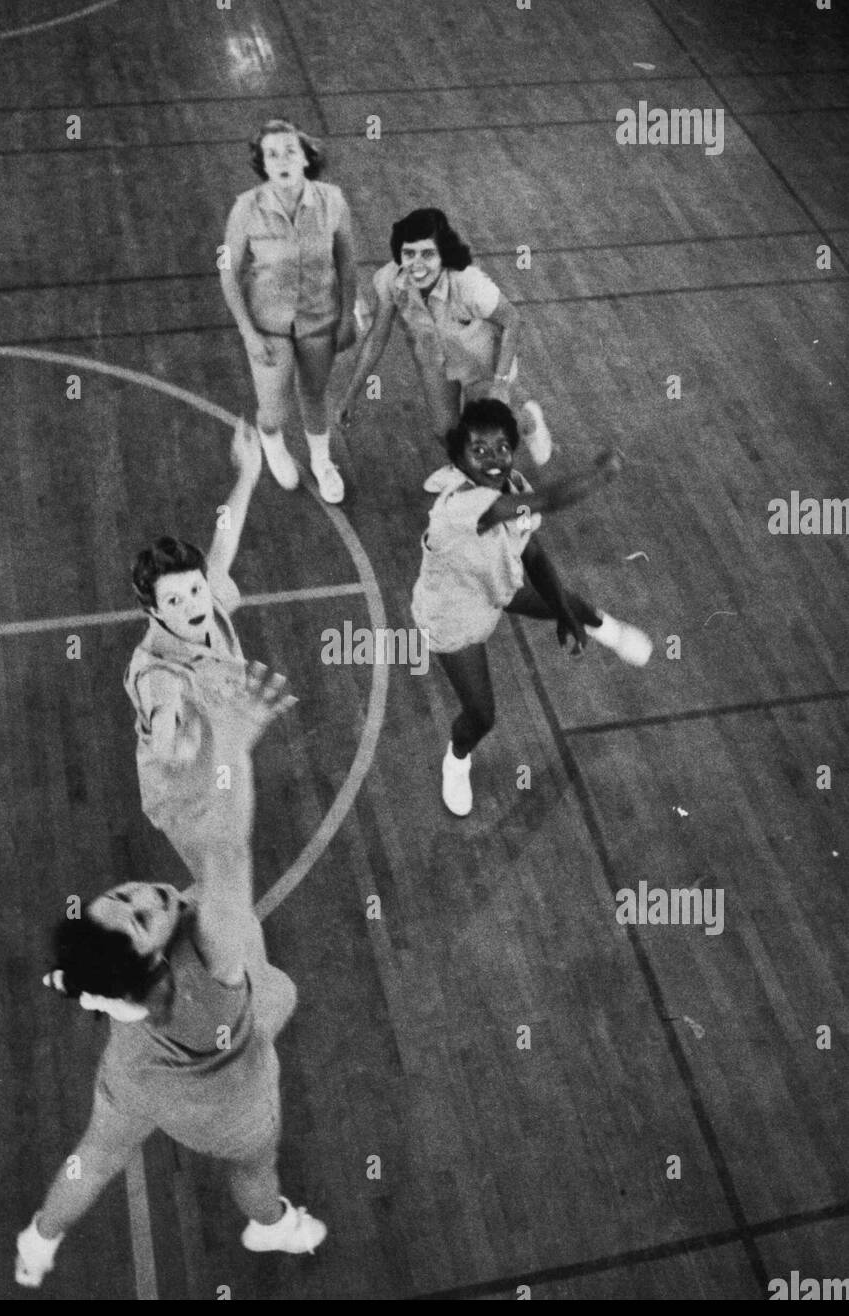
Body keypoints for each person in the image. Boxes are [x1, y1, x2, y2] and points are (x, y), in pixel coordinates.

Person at [14, 725, 327, 1288]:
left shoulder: (114, 983)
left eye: (120, 897)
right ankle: (271, 1226)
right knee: (255, 1168)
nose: (147, 897)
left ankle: (37, 1240)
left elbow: (93, 978)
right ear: (149, 963)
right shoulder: (210, 963)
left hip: (133, 1080)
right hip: (223, 1108)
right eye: (140, 920)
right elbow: (228, 852)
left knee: (94, 1157)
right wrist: (234, 741)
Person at [124, 419, 291, 1030]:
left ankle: (235, 965)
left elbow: (223, 543)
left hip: (217, 765)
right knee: (226, 888)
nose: (193, 604)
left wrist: (246, 475)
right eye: (176, 601)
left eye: (193, 592)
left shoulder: (206, 601)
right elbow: (166, 740)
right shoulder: (157, 674)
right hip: (184, 792)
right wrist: (191, 737)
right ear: (151, 609)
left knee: (230, 874)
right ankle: (238, 1001)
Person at [410, 398, 653, 816]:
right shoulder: (459, 505)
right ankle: (457, 760)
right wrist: (602, 473)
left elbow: (533, 554)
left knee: (568, 601)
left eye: (502, 448)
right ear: (458, 458)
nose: (492, 459)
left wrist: (562, 613)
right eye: (479, 451)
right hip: (453, 616)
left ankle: (602, 627)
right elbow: (550, 500)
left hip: (496, 582)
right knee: (482, 716)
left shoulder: (514, 486)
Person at [337, 207, 553, 492]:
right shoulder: (389, 280)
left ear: (444, 254)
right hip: (435, 360)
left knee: (486, 429)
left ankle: (528, 423)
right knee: (445, 431)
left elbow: (512, 320)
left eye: (427, 254)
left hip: (483, 361)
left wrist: (500, 385)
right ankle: (461, 470)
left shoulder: (469, 284)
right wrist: (351, 394)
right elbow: (377, 337)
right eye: (408, 253)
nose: (417, 264)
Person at [220, 117, 358, 505]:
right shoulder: (246, 209)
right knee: (272, 410)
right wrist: (248, 332)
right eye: (272, 154)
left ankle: (322, 460)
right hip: (268, 327)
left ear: (305, 157)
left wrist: (347, 317)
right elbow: (228, 273)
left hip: (320, 319)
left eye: (289, 151)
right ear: (262, 163)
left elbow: (347, 264)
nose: (281, 160)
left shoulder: (333, 200)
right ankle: (272, 443)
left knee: (314, 395)